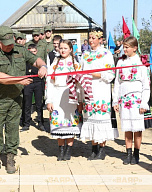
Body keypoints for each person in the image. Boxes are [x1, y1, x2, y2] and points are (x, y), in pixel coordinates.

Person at [0, 26, 47, 174]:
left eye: (11, 42)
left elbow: (35, 59)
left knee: (13, 129)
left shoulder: (20, 50)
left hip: (15, 98)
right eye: (6, 43)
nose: (10, 45)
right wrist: (19, 80)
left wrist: (43, 66)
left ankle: (10, 157)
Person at [80, 28, 119, 160]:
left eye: (93, 38)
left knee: (100, 120)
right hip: (88, 91)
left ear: (100, 39)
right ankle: (93, 148)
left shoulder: (106, 54)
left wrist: (95, 74)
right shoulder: (85, 55)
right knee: (90, 119)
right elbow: (80, 71)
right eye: (90, 38)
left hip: (101, 90)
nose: (91, 40)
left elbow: (110, 74)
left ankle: (102, 149)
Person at [112, 36, 150, 165]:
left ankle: (136, 154)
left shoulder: (141, 63)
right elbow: (117, 82)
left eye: (127, 47)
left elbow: (146, 86)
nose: (124, 49)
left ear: (135, 48)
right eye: (124, 47)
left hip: (137, 100)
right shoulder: (121, 62)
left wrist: (144, 103)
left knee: (137, 129)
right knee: (127, 128)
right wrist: (115, 101)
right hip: (124, 99)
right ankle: (128, 153)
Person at [46, 39, 82, 161]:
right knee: (58, 121)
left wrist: (80, 100)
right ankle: (61, 149)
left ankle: (68, 150)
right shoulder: (54, 64)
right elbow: (49, 82)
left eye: (65, 48)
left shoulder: (76, 64)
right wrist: (49, 100)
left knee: (70, 121)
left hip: (70, 96)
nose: (62, 50)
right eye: (60, 48)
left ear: (71, 49)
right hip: (56, 94)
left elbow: (80, 84)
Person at [21, 44, 45, 132]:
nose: (33, 53)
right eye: (31, 52)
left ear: (37, 51)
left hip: (38, 83)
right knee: (27, 104)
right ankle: (26, 124)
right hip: (28, 83)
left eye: (34, 51)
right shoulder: (25, 62)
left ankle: (41, 123)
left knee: (39, 104)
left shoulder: (39, 61)